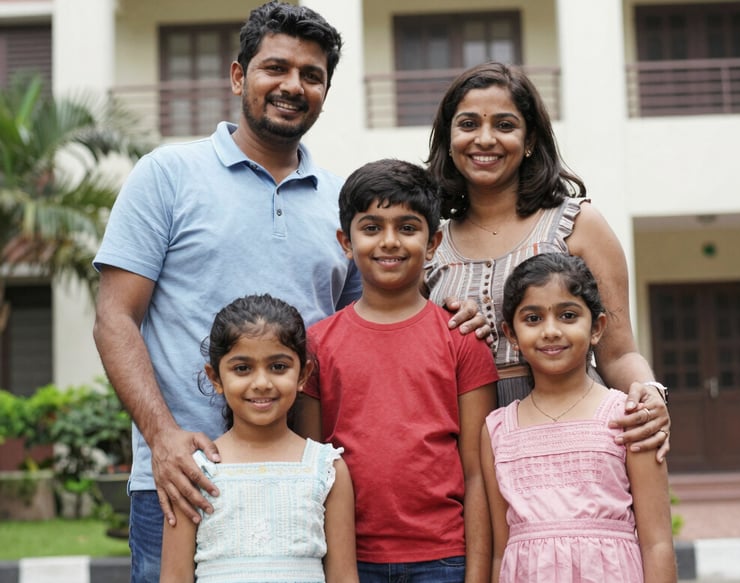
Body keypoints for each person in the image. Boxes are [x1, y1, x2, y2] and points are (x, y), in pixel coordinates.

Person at [92, 4, 482, 581]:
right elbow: (114, 318)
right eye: (275, 67)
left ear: (324, 91)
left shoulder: (343, 204)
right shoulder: (166, 175)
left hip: (305, 486)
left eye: (311, 75)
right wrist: (163, 437)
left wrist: (449, 310)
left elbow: (371, 320)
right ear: (238, 76)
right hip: (184, 478)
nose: (293, 86)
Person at [424, 61, 672, 460]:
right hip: (461, 445)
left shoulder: (578, 226)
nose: (484, 139)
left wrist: (650, 395)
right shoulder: (428, 244)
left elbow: (618, 352)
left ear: (529, 140)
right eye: (468, 124)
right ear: (449, 138)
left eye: (504, 125)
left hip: (573, 433)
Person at [295, 159, 499, 583]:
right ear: (346, 242)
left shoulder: (462, 338)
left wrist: (478, 575)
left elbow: (478, 473)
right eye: (371, 228)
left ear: (433, 243)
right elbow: (310, 470)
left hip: (444, 559)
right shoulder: (316, 345)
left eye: (407, 227)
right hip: (350, 560)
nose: (389, 242)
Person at [481, 253, 676, 582]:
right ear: (511, 334)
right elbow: (502, 550)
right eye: (533, 318)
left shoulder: (630, 418)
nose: (551, 331)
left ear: (596, 327)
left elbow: (657, 544)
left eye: (568, 315)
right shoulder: (498, 431)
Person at [159, 293, 358, 583]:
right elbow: (174, 577)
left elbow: (343, 577)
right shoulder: (193, 472)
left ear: (304, 374)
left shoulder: (326, 470)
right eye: (242, 368)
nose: (262, 383)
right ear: (215, 378)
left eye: (278, 367)